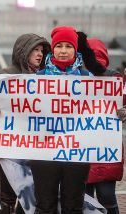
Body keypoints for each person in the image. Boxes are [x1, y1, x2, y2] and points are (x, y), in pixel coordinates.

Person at [29, 26, 92, 214]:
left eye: (68, 46)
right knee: (44, 205)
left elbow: (100, 111)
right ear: (53, 49)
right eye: (59, 46)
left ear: (75, 50)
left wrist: (117, 113)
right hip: (44, 152)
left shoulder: (88, 79)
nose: (63, 51)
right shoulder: (36, 80)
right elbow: (23, 112)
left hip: (77, 152)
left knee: (73, 205)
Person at [0, 33, 50, 214]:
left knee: (30, 194)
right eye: (35, 49)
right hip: (11, 148)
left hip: (37, 147)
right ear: (23, 51)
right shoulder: (6, 75)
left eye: (42, 50)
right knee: (8, 195)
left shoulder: (48, 77)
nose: (39, 54)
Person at [77, 33, 124, 214]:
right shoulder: (75, 79)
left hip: (103, 150)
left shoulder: (115, 79)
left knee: (106, 198)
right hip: (86, 149)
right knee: (88, 199)